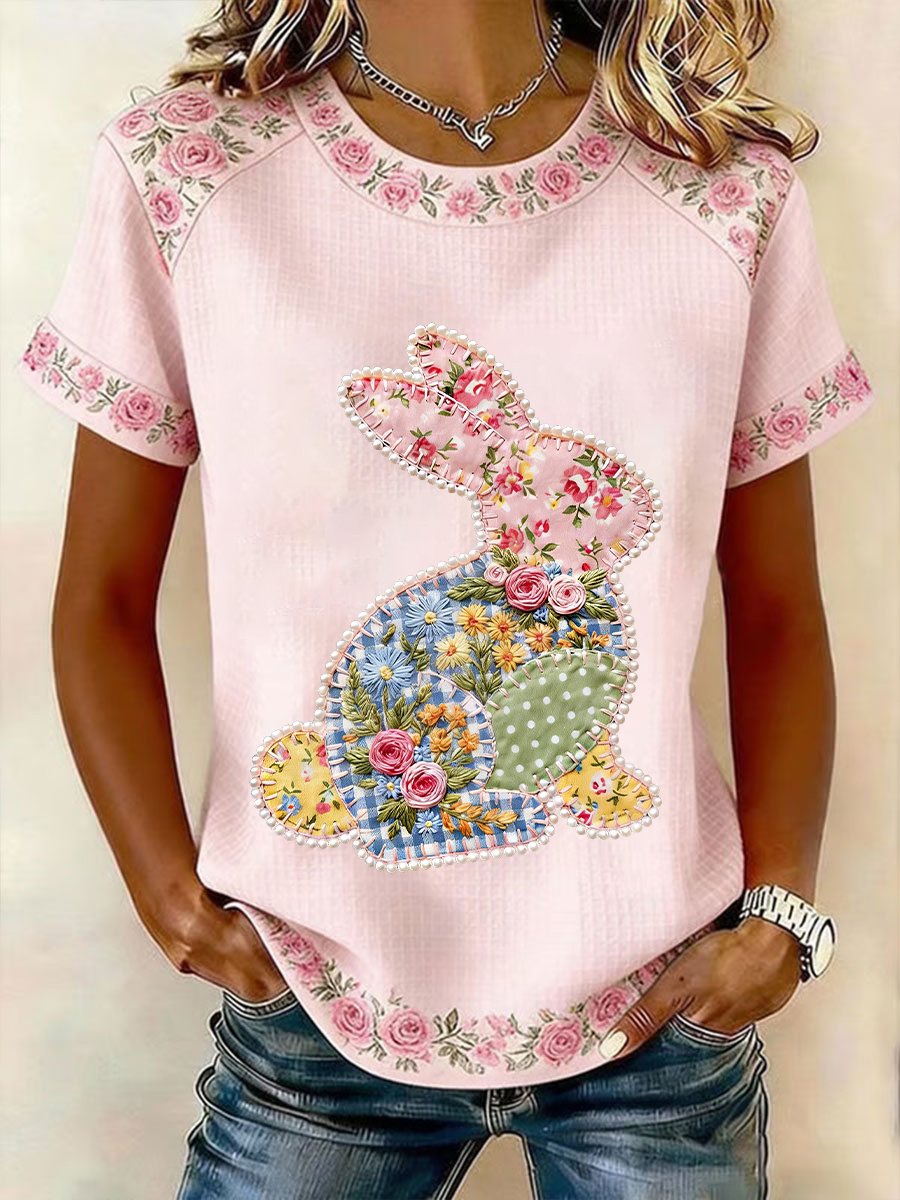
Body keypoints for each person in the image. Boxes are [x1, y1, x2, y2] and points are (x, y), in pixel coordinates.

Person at [14, 1, 875, 1197]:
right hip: (313, 996)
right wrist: (168, 894)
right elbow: (101, 598)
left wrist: (780, 917)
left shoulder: (720, 191)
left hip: (664, 1005)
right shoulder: (189, 173)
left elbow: (778, 610)